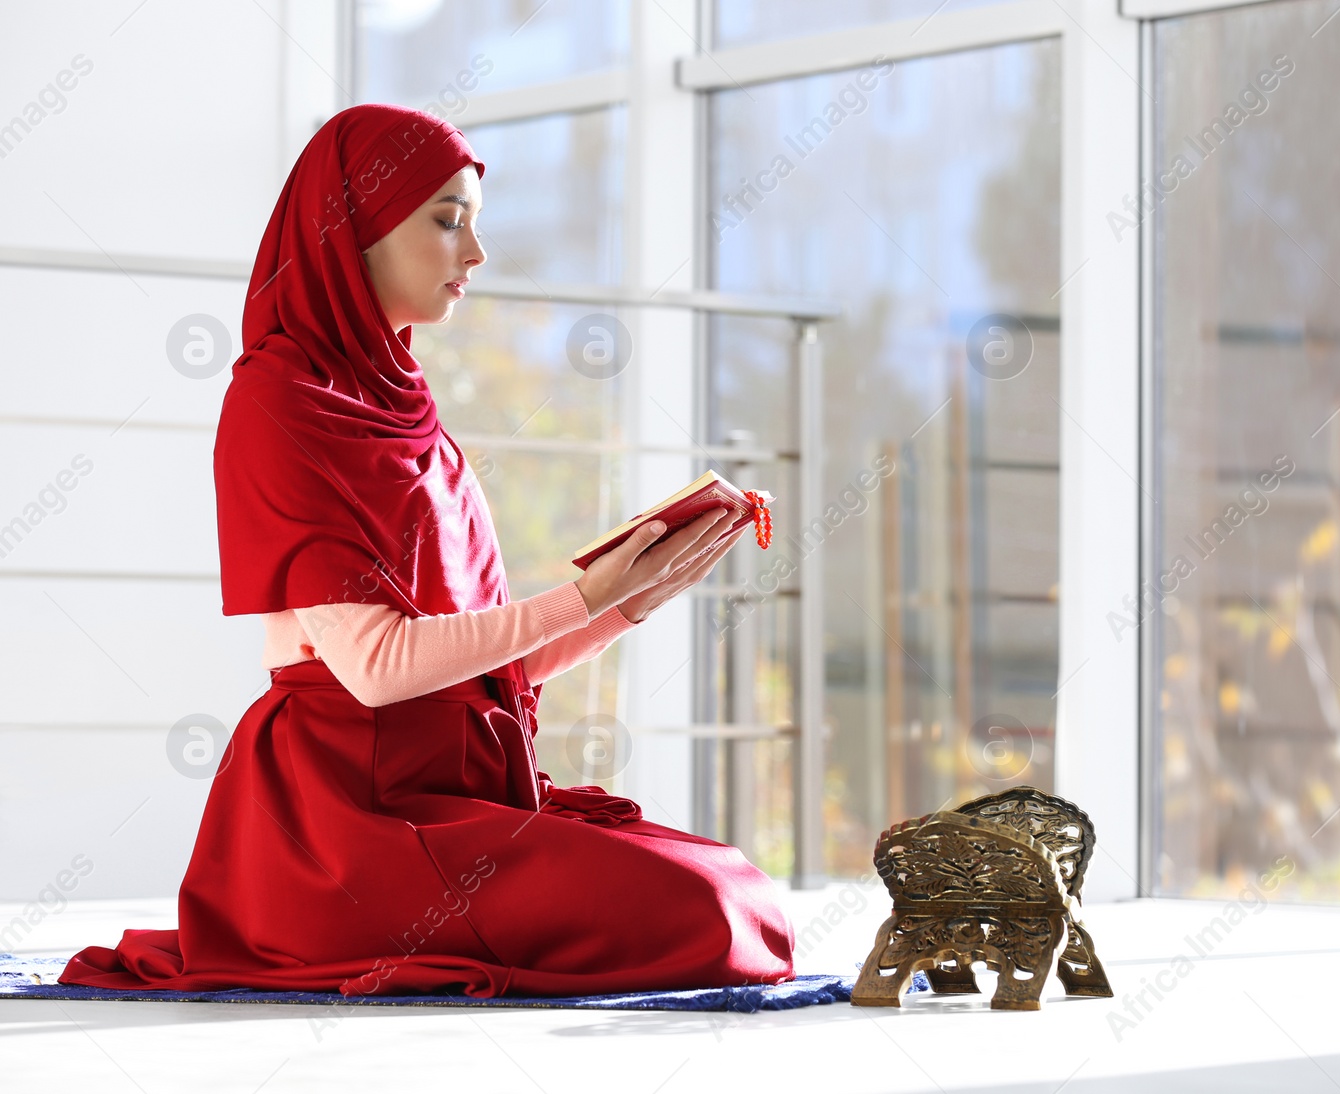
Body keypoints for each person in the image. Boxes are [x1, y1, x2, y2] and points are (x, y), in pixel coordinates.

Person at [57, 103, 796, 999]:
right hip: (349, 823)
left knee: (738, 886)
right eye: (448, 222)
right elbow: (375, 668)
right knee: (706, 910)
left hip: (457, 793)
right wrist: (583, 597)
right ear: (354, 232)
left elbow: (494, 672)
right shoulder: (278, 400)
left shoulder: (412, 411)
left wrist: (634, 593)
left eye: (474, 226)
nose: (475, 256)